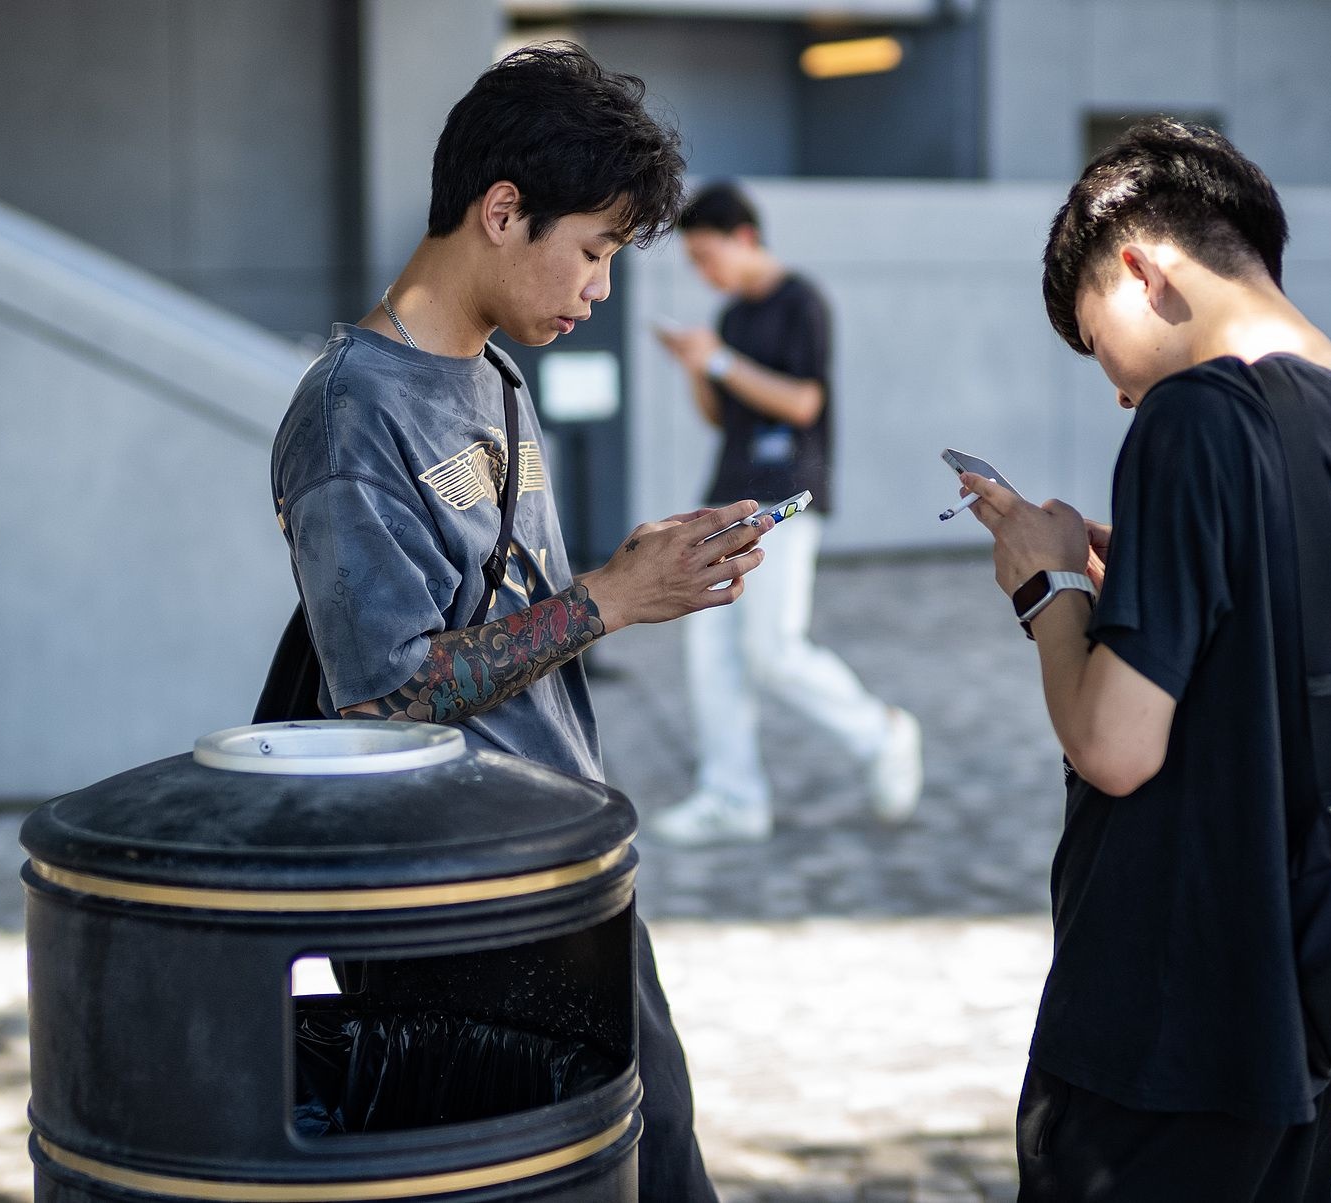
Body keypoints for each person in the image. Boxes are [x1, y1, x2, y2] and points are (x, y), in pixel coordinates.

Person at [269, 44, 758, 1203]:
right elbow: (380, 699)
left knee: (658, 1158)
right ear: (502, 212)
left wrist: (628, 574)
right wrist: (609, 598)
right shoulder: (349, 415)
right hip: (454, 917)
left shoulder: (495, 375)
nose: (598, 287)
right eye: (589, 251)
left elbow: (512, 615)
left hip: (566, 865)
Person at [961, 118, 1331, 1201]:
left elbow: (1112, 745)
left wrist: (1049, 587)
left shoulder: (1191, 419)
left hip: (1159, 1032)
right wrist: (1135, 570)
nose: (1118, 392)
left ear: (1140, 269)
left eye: (1099, 349)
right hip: (1304, 1021)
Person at [651, 181, 923, 845]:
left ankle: (881, 732)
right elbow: (724, 416)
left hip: (788, 496)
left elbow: (803, 402)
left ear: (745, 237)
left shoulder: (801, 301)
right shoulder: (733, 319)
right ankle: (732, 794)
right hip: (730, 490)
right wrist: (696, 368)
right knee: (710, 648)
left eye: (706, 255)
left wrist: (717, 359)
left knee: (771, 650)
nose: (703, 272)